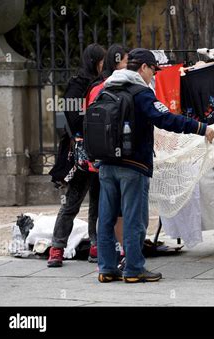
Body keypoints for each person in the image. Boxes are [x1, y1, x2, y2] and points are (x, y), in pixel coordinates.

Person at [97, 48, 214, 283]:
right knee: (134, 218)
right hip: (133, 164)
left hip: (106, 162)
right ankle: (133, 270)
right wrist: (200, 128)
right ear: (143, 68)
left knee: (107, 217)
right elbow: (166, 119)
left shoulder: (107, 87)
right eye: (153, 70)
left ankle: (107, 268)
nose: (154, 75)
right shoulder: (141, 92)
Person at [47, 43, 106, 268]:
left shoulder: (103, 83)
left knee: (99, 203)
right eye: (101, 61)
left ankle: (96, 245)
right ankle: (57, 248)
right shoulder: (77, 85)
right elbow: (70, 119)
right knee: (72, 202)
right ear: (94, 62)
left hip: (101, 151)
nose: (103, 65)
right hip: (81, 156)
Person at [84, 44, 130, 261]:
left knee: (106, 210)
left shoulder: (97, 88)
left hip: (101, 157)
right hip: (119, 158)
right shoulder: (119, 88)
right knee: (118, 209)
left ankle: (105, 259)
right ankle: (122, 252)